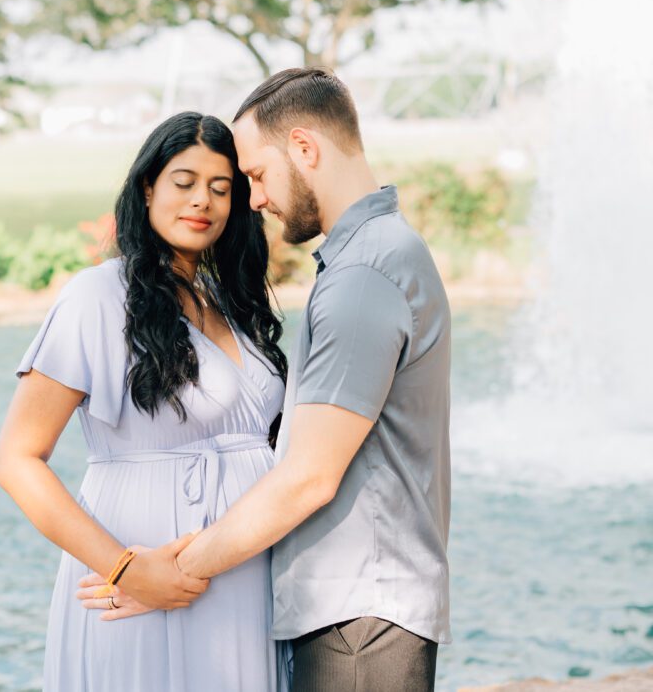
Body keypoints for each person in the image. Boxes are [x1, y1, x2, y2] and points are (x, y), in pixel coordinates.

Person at [81, 68, 452, 692]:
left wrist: (170, 572)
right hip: (361, 609)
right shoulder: (383, 252)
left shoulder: (364, 274)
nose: (251, 200)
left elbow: (309, 477)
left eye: (254, 176)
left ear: (305, 150)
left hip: (358, 616)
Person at [0, 111, 291, 691]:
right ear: (148, 187)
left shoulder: (231, 302)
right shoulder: (98, 296)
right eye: (184, 182)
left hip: (242, 572)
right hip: (141, 575)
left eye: (221, 188)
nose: (201, 200)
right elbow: (16, 459)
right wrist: (126, 568)